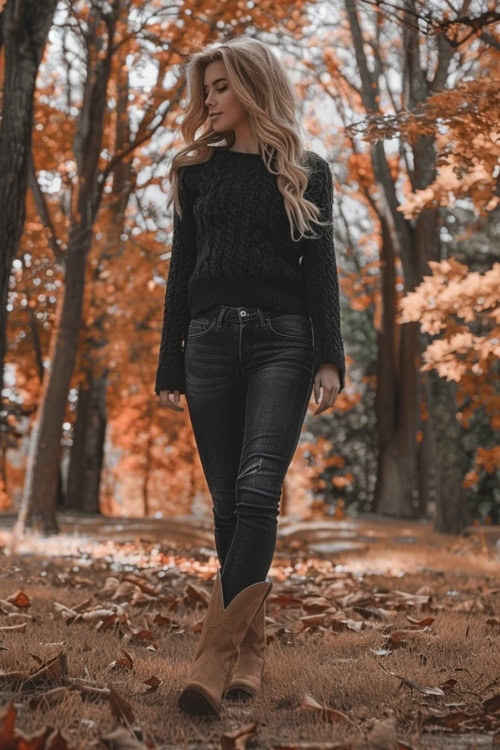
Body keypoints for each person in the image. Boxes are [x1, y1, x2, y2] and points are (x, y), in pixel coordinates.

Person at [154, 36, 346, 717]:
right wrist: (169, 359)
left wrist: (330, 356)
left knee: (257, 490)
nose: (209, 98)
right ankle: (249, 656)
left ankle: (211, 658)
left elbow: (319, 269)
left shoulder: (305, 169)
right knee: (228, 509)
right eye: (205, 88)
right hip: (207, 342)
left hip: (282, 343)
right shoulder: (194, 172)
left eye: (221, 86)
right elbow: (180, 273)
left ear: (253, 87)